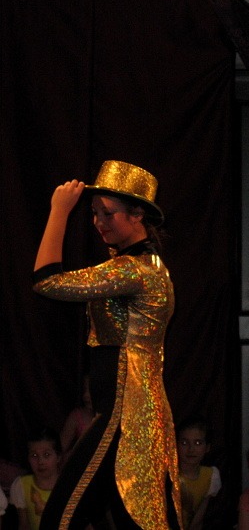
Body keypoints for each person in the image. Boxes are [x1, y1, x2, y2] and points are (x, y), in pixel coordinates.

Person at [32, 160, 182, 529]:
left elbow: (47, 281)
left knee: (62, 519)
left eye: (108, 213)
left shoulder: (135, 270)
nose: (99, 222)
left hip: (126, 414)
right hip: (129, 411)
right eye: (95, 213)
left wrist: (59, 210)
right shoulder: (139, 264)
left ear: (137, 215)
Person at [9, 428, 61, 530]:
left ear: (58, 457)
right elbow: (24, 525)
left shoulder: (71, 484)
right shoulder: (22, 485)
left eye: (46, 455)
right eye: (34, 455)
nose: (40, 461)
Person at [176, 417, 221, 529]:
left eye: (197, 443)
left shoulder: (209, 476)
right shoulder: (169, 476)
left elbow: (198, 519)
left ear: (207, 447)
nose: (191, 449)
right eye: (184, 443)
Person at [59, 373, 94, 465]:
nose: (86, 395)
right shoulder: (77, 416)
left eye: (91, 389)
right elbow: (59, 450)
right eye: (85, 390)